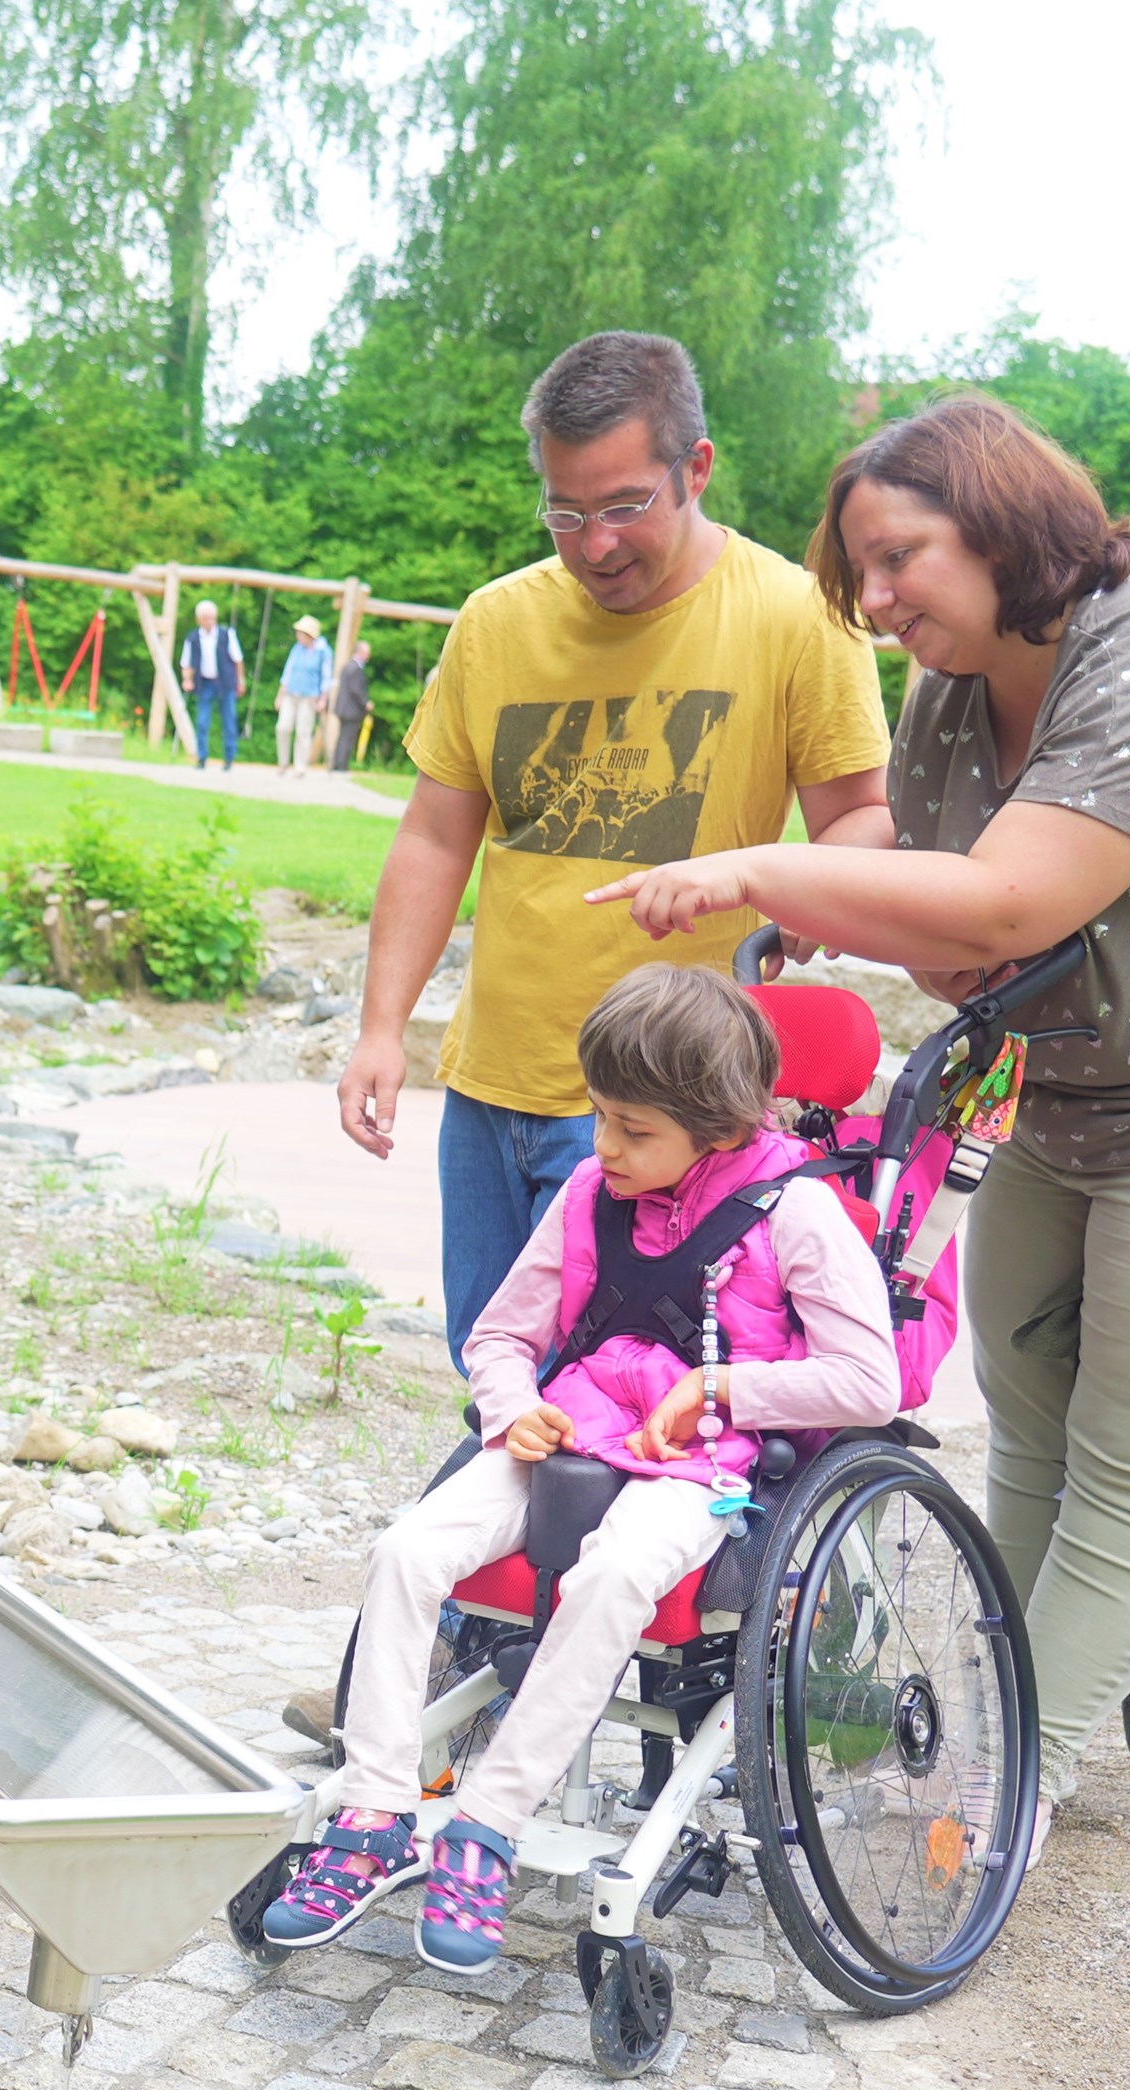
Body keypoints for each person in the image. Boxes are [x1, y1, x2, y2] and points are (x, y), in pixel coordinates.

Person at [586, 391, 1130, 1844]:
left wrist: (770, 874)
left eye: (898, 559)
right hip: (1089, 1084)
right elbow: (925, 877)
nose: (873, 601)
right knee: (1030, 1421)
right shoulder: (960, 682)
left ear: (1005, 524)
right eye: (856, 572)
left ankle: (1004, 1777)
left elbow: (1006, 901)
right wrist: (814, 879)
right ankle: (993, 1710)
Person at [265, 964, 903, 1971]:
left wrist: (726, 1388)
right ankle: (377, 1809)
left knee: (612, 1578)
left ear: (722, 1130)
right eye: (598, 1116)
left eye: (633, 1130)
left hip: (702, 1465)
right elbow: (502, 1337)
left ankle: (487, 1823)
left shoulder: (796, 1214)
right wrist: (512, 1408)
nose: (603, 1145)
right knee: (406, 1551)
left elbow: (870, 1380)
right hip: (565, 1435)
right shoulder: (586, 1192)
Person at [337, 331, 893, 1366]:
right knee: (496, 1380)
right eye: (563, 512)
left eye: (623, 505)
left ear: (696, 469)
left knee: (636, 1413)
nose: (592, 544)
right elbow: (431, 835)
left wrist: (797, 902)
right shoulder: (495, 622)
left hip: (672, 1108)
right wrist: (381, 1027)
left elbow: (861, 821)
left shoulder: (795, 618)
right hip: (493, 1091)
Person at [177, 597, 246, 768]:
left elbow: (238, 660)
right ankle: (201, 757)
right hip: (204, 683)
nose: (210, 621)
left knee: (229, 720)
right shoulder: (193, 638)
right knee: (202, 721)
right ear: (199, 619)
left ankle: (229, 757)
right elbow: (186, 663)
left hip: (225, 683)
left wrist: (240, 680)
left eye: (212, 618)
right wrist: (187, 680)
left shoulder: (227, 635)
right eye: (206, 618)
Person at [274, 617, 331, 770]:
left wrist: (323, 699)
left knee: (303, 731)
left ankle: (300, 766)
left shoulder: (323, 652)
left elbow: (326, 677)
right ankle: (283, 762)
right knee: (282, 727)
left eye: (300, 633)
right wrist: (280, 695)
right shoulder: (297, 649)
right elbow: (288, 672)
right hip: (290, 694)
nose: (297, 635)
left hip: (309, 696)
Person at [325, 637, 374, 771]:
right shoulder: (355, 668)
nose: (368, 655)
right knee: (347, 738)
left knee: (343, 737)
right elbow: (356, 689)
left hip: (343, 709)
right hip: (351, 710)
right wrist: (366, 703)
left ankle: (337, 763)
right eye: (367, 652)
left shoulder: (347, 666)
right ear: (360, 652)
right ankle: (341, 766)